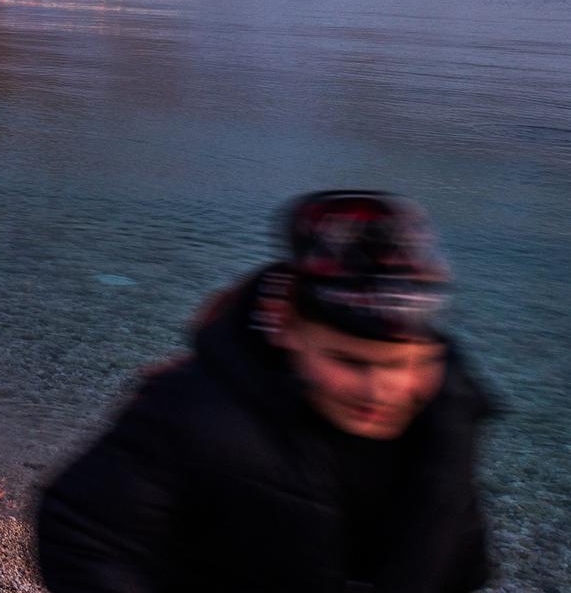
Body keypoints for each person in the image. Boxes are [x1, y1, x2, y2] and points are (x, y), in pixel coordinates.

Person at [32, 191, 493, 592]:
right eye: (348, 361)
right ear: (284, 326)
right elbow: (81, 533)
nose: (383, 390)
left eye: (404, 363)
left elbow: (463, 570)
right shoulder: (190, 410)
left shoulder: (447, 420)